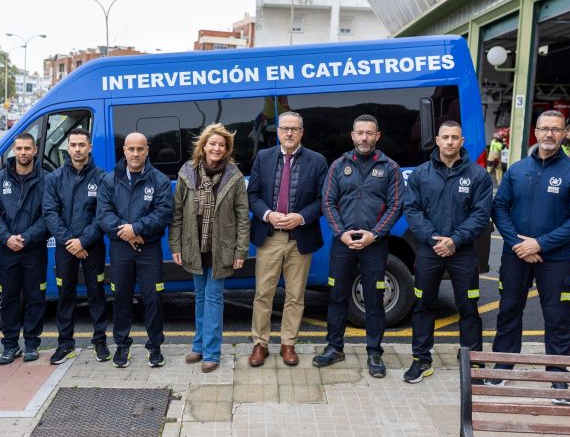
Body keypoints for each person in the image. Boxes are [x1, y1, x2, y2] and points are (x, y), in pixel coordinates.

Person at [490, 110, 570, 403]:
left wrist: (540, 244)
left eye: (556, 130)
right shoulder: (517, 170)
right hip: (515, 255)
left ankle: (558, 377)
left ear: (564, 134)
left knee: (557, 317)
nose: (549, 134)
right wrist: (517, 244)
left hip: (556, 260)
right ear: (535, 132)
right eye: (544, 129)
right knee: (508, 310)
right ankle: (502, 368)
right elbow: (499, 209)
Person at [313, 114, 403, 377]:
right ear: (352, 135)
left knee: (374, 299)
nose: (364, 137)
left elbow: (396, 205)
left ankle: (374, 352)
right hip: (342, 244)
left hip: (374, 244)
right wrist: (340, 233)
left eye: (369, 133)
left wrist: (374, 234)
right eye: (359, 133)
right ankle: (334, 348)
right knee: (337, 296)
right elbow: (327, 202)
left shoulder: (390, 168)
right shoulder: (338, 166)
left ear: (377, 136)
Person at [402, 121, 492, 383]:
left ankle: (472, 361)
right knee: (423, 305)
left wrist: (454, 240)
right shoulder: (420, 174)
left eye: (455, 137)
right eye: (445, 137)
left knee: (468, 306)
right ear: (437, 141)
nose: (450, 142)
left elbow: (480, 214)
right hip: (429, 250)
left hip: (463, 251)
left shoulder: (478, 176)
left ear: (462, 141)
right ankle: (421, 359)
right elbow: (412, 210)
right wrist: (432, 238)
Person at [247, 111, 328, 367]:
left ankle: (288, 344)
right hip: (269, 236)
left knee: (295, 295)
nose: (289, 133)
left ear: (302, 132)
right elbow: (253, 195)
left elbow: (323, 200)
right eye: (285, 129)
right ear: (278, 132)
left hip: (299, 238)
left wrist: (301, 217)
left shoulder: (317, 161)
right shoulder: (263, 157)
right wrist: (268, 214)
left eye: (294, 129)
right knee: (263, 294)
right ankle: (260, 345)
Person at [169, 124, 250, 373]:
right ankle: (198, 346)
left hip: (220, 248)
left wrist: (240, 251)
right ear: (203, 146)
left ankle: (212, 353)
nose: (217, 148)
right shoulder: (187, 173)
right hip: (195, 245)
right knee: (201, 298)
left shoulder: (234, 176)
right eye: (212, 144)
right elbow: (178, 213)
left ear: (227, 150)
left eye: (222, 145)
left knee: (213, 298)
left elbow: (242, 216)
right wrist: (175, 244)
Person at [97, 132, 173, 368]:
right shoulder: (110, 180)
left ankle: (155, 347)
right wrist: (126, 232)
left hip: (149, 247)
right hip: (121, 248)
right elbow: (103, 214)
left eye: (140, 149)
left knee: (153, 298)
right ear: (124, 151)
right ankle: (122, 345)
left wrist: (137, 229)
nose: (136, 154)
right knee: (121, 297)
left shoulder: (159, 180)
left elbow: (164, 212)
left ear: (147, 150)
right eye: (131, 149)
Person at [43, 128, 109, 365]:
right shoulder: (54, 178)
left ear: (90, 147)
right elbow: (50, 213)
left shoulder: (102, 178)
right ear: (68, 148)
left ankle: (100, 341)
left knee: (97, 294)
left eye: (82, 145)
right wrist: (71, 241)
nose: (78, 149)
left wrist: (83, 241)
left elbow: (103, 215)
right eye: (73, 145)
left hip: (92, 246)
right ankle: (65, 344)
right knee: (65, 295)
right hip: (65, 247)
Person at [0, 133, 50, 364]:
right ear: (14, 150)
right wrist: (6, 237)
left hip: (34, 250)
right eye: (19, 148)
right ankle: (10, 346)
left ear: (34, 150)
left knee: (35, 298)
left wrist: (26, 237)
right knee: (10, 298)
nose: (23, 153)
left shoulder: (47, 180)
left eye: (27, 148)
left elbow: (48, 216)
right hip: (8, 250)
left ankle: (32, 344)